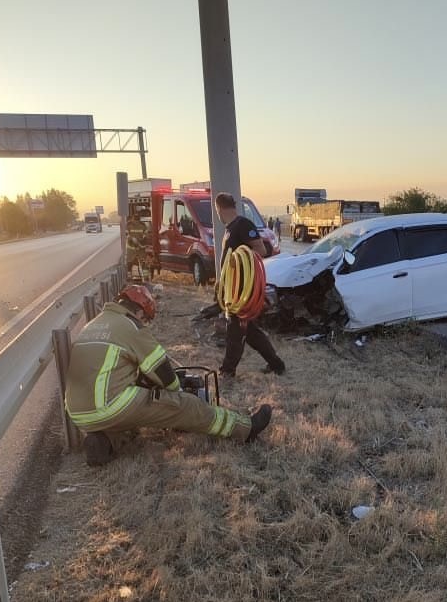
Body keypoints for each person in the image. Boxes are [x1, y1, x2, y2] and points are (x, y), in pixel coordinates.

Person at [65, 284, 272, 465]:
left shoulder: (92, 325)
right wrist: (177, 391)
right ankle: (245, 429)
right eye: (146, 319)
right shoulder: (131, 326)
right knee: (186, 406)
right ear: (139, 312)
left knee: (128, 422)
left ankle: (103, 442)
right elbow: (162, 371)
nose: (145, 323)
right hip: (112, 405)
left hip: (78, 414)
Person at [215, 192, 286, 379]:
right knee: (251, 333)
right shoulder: (230, 229)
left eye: (217, 211)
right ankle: (277, 364)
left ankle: (227, 371)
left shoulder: (243, 225)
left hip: (241, 292)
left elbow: (260, 250)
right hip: (231, 289)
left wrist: (236, 263)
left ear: (219, 209)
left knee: (235, 331)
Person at [126, 209, 150, 280]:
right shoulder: (142, 225)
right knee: (141, 263)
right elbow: (146, 236)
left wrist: (141, 243)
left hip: (135, 248)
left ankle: (130, 277)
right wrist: (140, 242)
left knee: (130, 264)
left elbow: (146, 236)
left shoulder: (129, 224)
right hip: (135, 247)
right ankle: (145, 278)